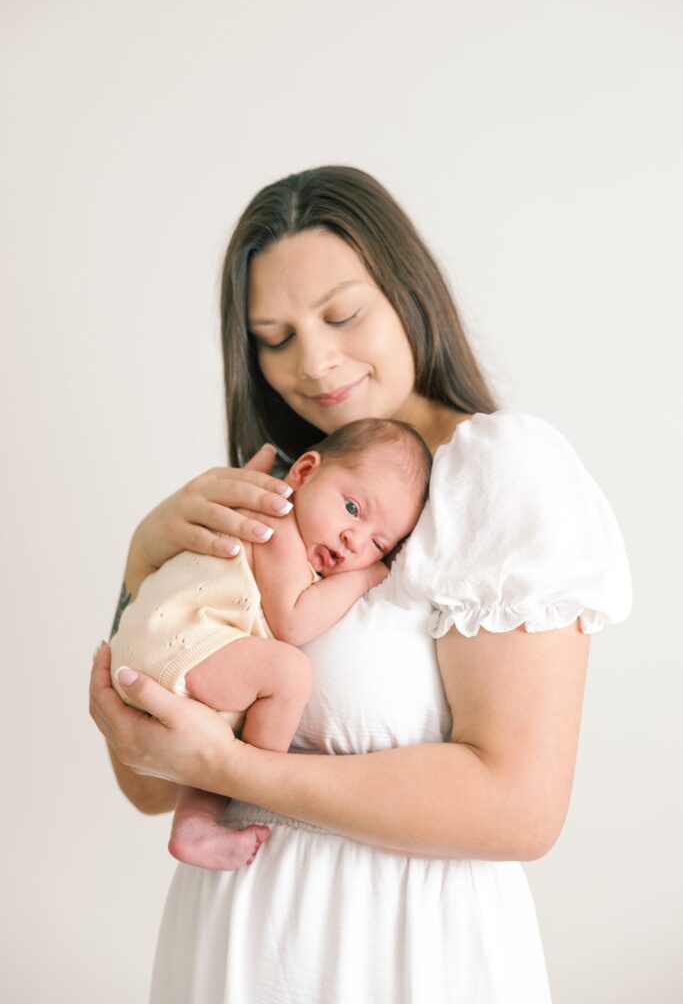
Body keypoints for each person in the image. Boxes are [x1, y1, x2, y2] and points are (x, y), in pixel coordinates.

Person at [89, 165, 631, 1003]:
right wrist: (137, 571)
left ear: (408, 295)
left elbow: (520, 809)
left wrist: (234, 770)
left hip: (396, 952)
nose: (314, 361)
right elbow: (149, 783)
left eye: (342, 315)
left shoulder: (498, 472)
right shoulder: (266, 497)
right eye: (274, 338)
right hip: (226, 946)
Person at [109, 417, 431, 871]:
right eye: (353, 509)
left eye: (378, 543)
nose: (353, 538)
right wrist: (367, 574)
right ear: (302, 474)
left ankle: (196, 825)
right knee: (289, 672)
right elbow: (294, 622)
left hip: (174, 650)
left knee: (223, 739)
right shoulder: (277, 523)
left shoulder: (299, 531)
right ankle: (255, 795)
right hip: (176, 643)